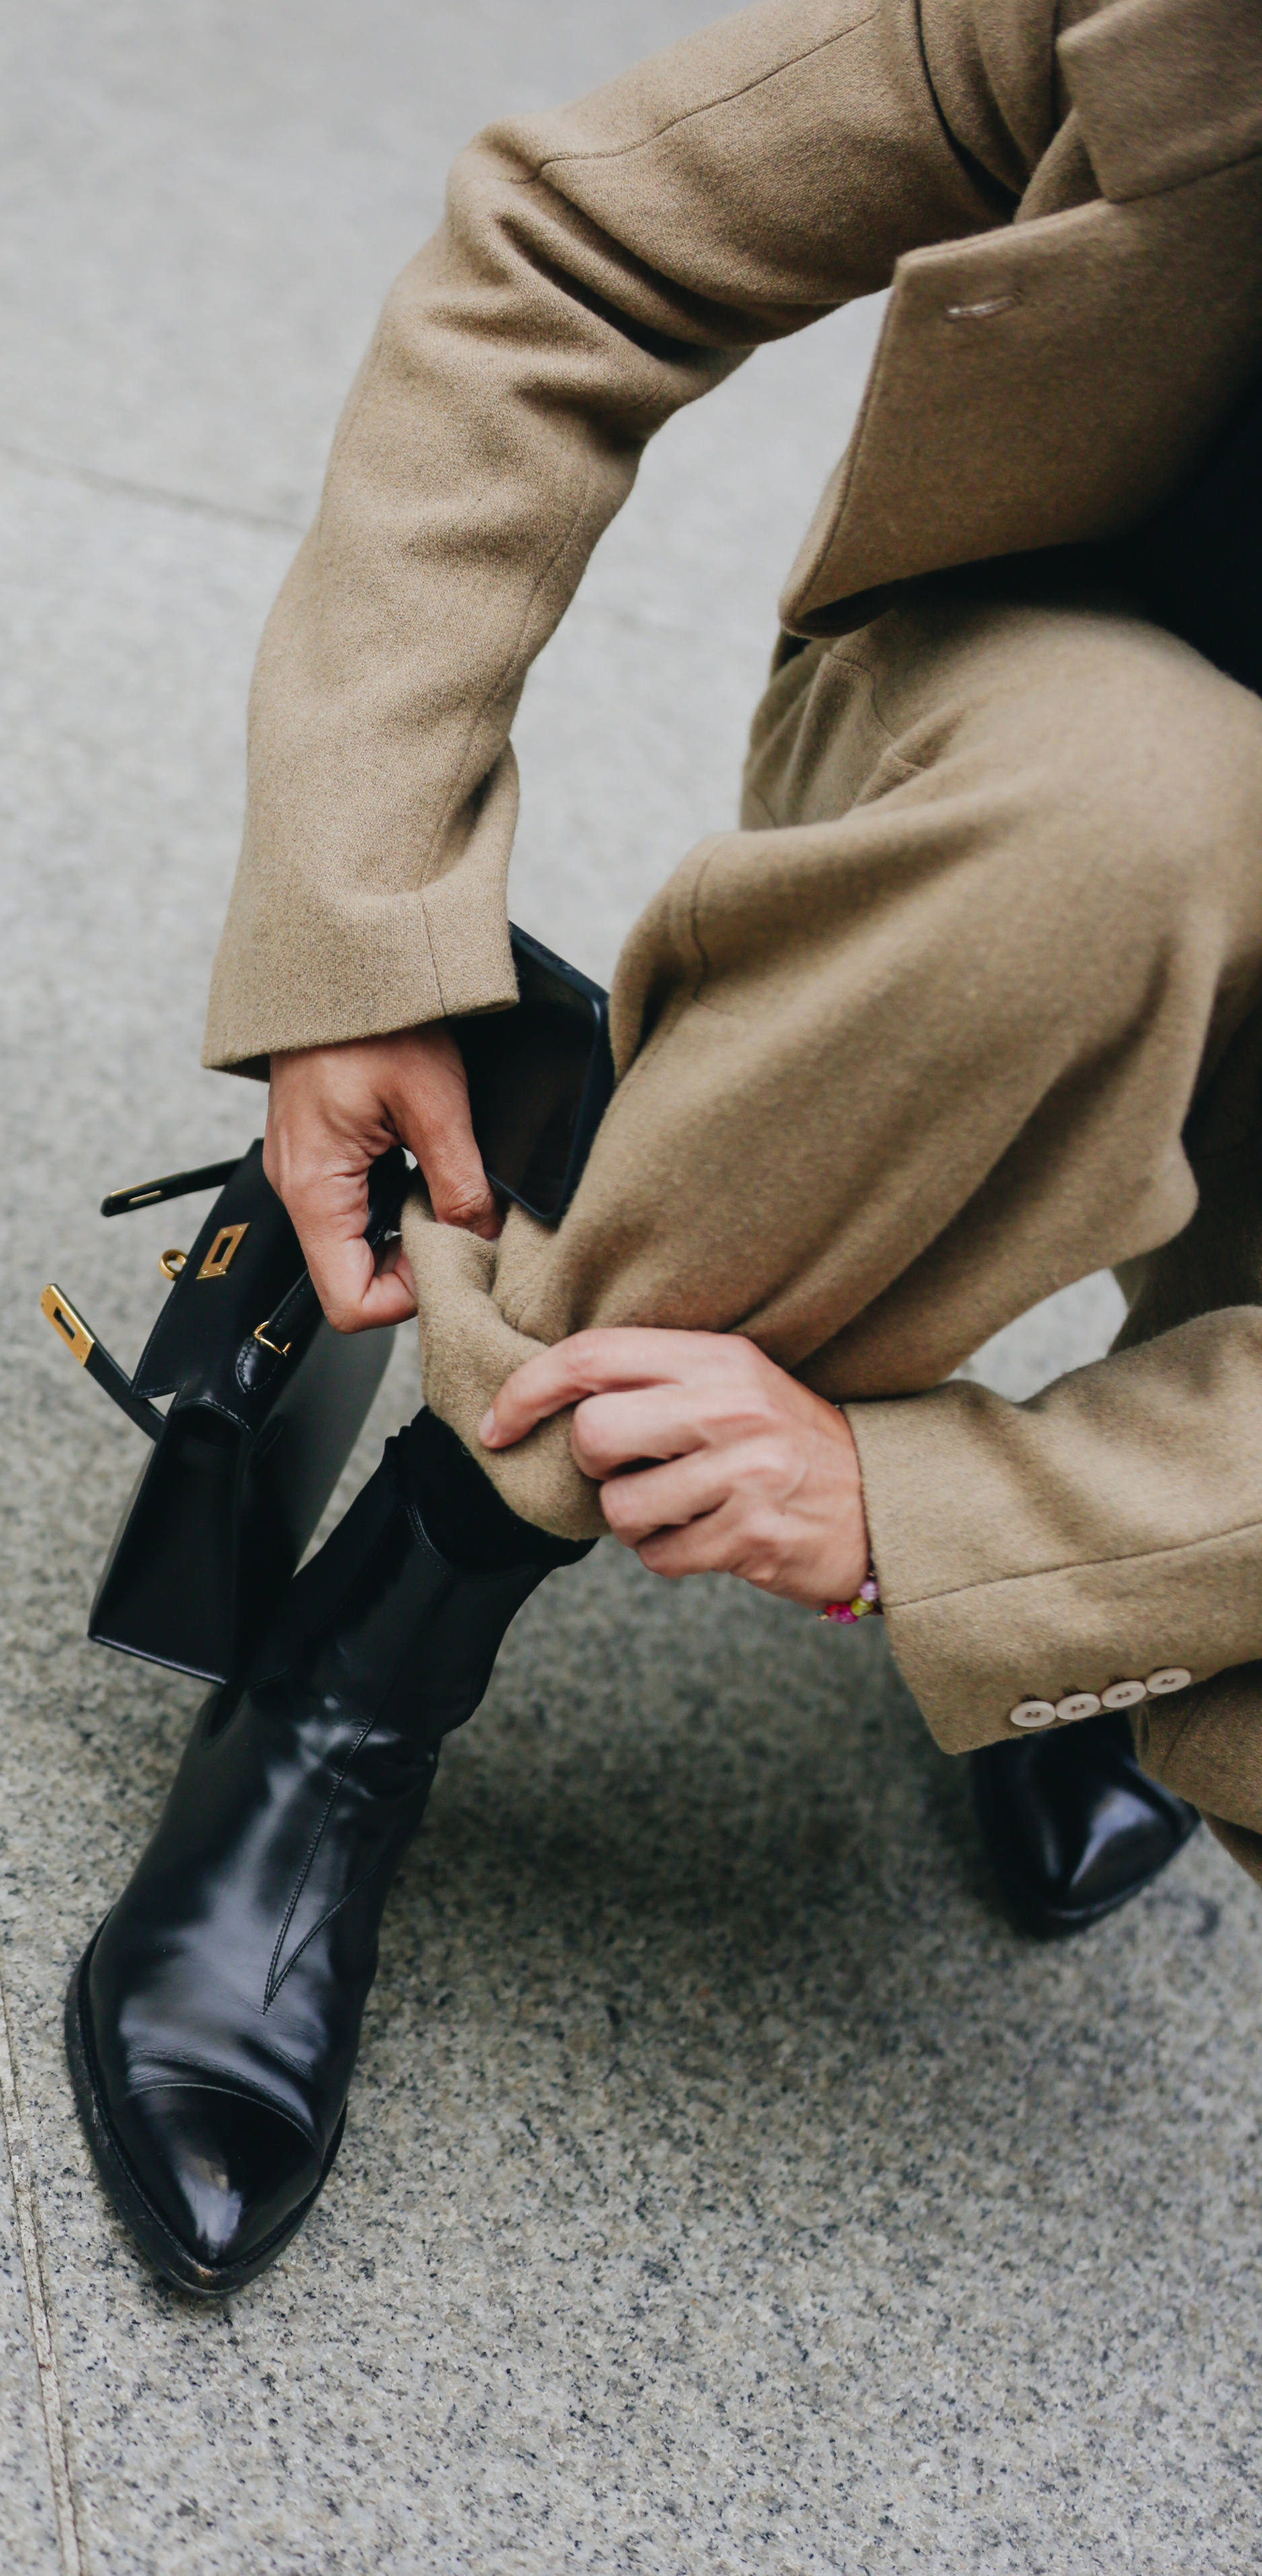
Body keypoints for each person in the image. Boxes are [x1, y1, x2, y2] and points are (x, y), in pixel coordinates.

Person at [65, 0, 1262, 2295]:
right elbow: (574, 243)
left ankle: (1079, 1627)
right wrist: (363, 915)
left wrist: (975, 1522)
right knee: (1114, 841)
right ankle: (369, 1647)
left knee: (1175, 1602)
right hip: (1052, 758)